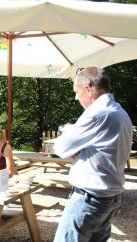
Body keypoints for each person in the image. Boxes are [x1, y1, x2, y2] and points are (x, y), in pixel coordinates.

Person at [53, 67, 133, 242]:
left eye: (77, 91)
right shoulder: (120, 112)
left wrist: (74, 145)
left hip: (89, 199)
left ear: (88, 88)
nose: (76, 97)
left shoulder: (96, 113)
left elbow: (59, 147)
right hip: (110, 200)